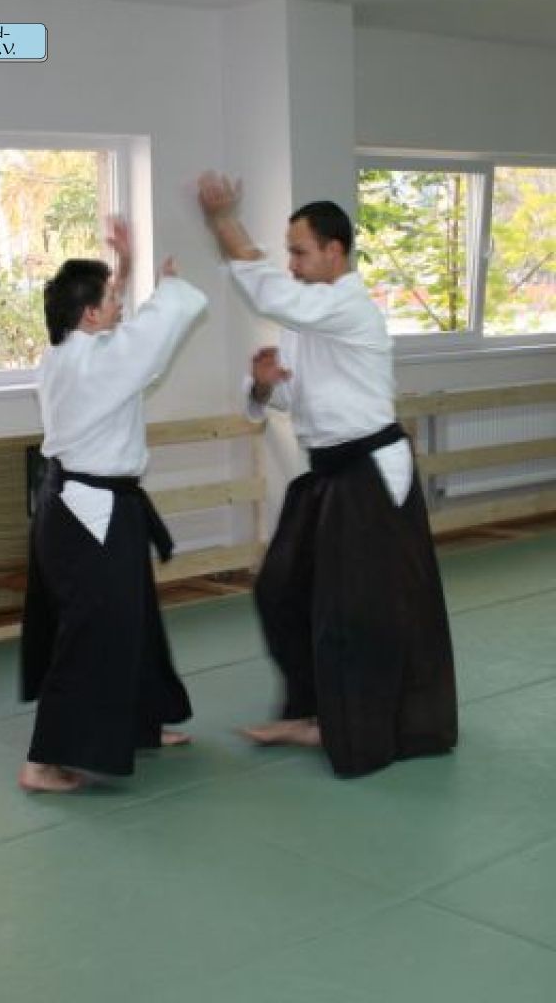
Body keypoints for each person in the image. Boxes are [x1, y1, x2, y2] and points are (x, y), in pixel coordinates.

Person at [197, 172, 457, 778]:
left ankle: (362, 728)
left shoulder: (348, 306)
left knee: (356, 610)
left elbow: (272, 296)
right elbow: (292, 398)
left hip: (370, 472)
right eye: (288, 253)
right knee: (281, 589)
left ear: (334, 251)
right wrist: (264, 386)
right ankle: (311, 710)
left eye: (299, 251)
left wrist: (225, 223)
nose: (291, 263)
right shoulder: (307, 316)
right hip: (327, 475)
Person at [19, 218, 208, 792]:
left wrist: (122, 270)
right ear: (90, 315)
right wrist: (169, 288)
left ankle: (142, 723)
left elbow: (118, 333)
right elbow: (144, 344)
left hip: (84, 507)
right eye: (110, 299)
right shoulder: (100, 362)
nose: (119, 305)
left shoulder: (64, 354)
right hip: (90, 516)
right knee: (91, 631)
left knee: (135, 620)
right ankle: (42, 760)